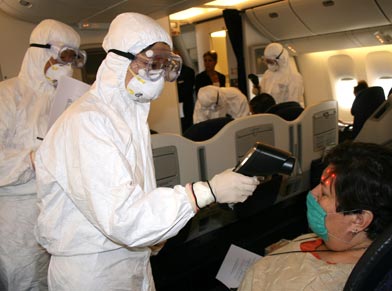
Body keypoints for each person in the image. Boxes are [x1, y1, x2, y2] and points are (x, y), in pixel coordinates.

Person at [34, 12, 259, 290]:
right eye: (152, 64)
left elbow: (136, 195)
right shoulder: (87, 121)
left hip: (132, 257)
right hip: (93, 270)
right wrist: (207, 192)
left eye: (166, 66)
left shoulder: (130, 116)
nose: (159, 76)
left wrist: (154, 236)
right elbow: (122, 218)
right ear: (120, 59)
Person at [239, 141, 392, 291]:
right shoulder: (345, 241)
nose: (313, 194)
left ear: (358, 220)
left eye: (324, 193)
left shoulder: (314, 285)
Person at [0, 19, 84, 290]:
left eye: (73, 57)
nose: (68, 65)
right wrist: (32, 159)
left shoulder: (70, 102)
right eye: (64, 56)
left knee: (61, 280)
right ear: (41, 52)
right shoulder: (8, 94)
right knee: (25, 282)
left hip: (61, 207)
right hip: (18, 217)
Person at [253, 42, 305, 107]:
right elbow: (263, 93)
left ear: (281, 59)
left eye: (271, 62)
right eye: (267, 61)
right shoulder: (267, 74)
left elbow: (294, 104)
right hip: (269, 112)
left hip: (284, 114)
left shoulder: (294, 76)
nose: (269, 65)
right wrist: (258, 91)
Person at [176, 62, 195, 132]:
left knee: (187, 127)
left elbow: (187, 90)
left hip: (186, 106)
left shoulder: (188, 72)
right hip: (174, 106)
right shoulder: (169, 71)